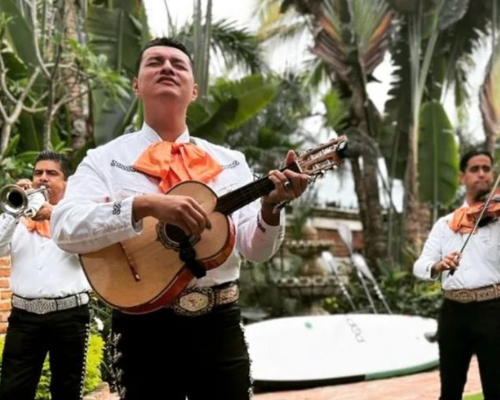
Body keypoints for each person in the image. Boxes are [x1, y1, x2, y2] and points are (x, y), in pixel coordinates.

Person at [50, 37, 310, 400]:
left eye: (178, 64)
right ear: (137, 85)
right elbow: (64, 227)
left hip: (218, 322)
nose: (167, 68)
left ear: (195, 90)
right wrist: (142, 206)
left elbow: (256, 250)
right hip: (141, 324)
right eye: (155, 62)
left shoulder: (230, 162)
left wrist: (270, 208)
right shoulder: (105, 159)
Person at [0, 150, 91, 400]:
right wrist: (15, 210)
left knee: (66, 392)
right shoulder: (18, 218)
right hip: (24, 317)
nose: (43, 178)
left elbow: (86, 246)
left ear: (66, 182)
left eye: (52, 173)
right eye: (38, 173)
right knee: (11, 391)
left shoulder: (79, 214)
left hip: (69, 316)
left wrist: (53, 213)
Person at [414, 149, 500, 400]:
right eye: (475, 169)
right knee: (450, 392)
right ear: (463, 177)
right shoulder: (445, 224)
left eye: (487, 169)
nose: (482, 174)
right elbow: (420, 265)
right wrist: (438, 266)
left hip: (493, 309)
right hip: (453, 312)